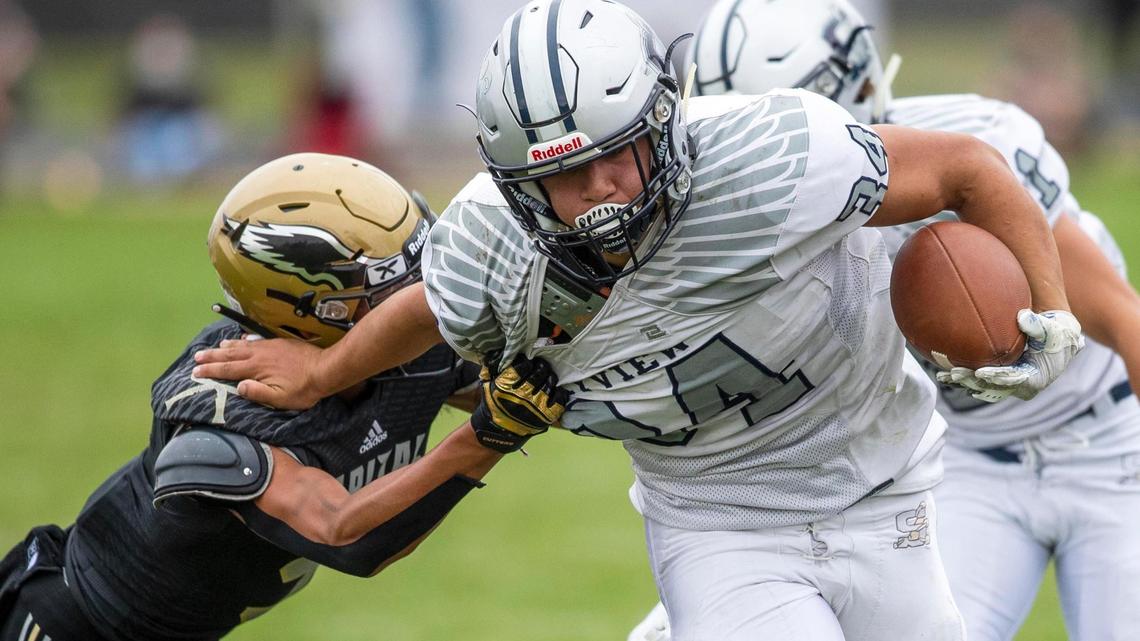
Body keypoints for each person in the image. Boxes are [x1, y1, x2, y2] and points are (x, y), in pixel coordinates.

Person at [192, 1, 1085, 638]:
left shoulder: (777, 158)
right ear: (518, 186)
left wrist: (1050, 313)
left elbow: (968, 168)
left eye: (619, 153)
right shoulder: (488, 247)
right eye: (562, 175)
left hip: (885, 489)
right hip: (717, 521)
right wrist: (323, 372)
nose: (601, 189)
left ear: (664, 119)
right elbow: (427, 308)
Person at [628, 1, 1140, 639]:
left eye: (784, 132)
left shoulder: (965, 151)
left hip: (1112, 446)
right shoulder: (731, 214)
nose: (763, 164)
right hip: (972, 465)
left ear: (860, 95)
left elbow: (1123, 317)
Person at [0, 152, 565, 641]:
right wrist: (487, 437)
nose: (424, 298)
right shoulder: (221, 419)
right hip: (75, 626)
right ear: (318, 308)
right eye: (395, 287)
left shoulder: (409, 352)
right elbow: (347, 534)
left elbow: (545, 383)